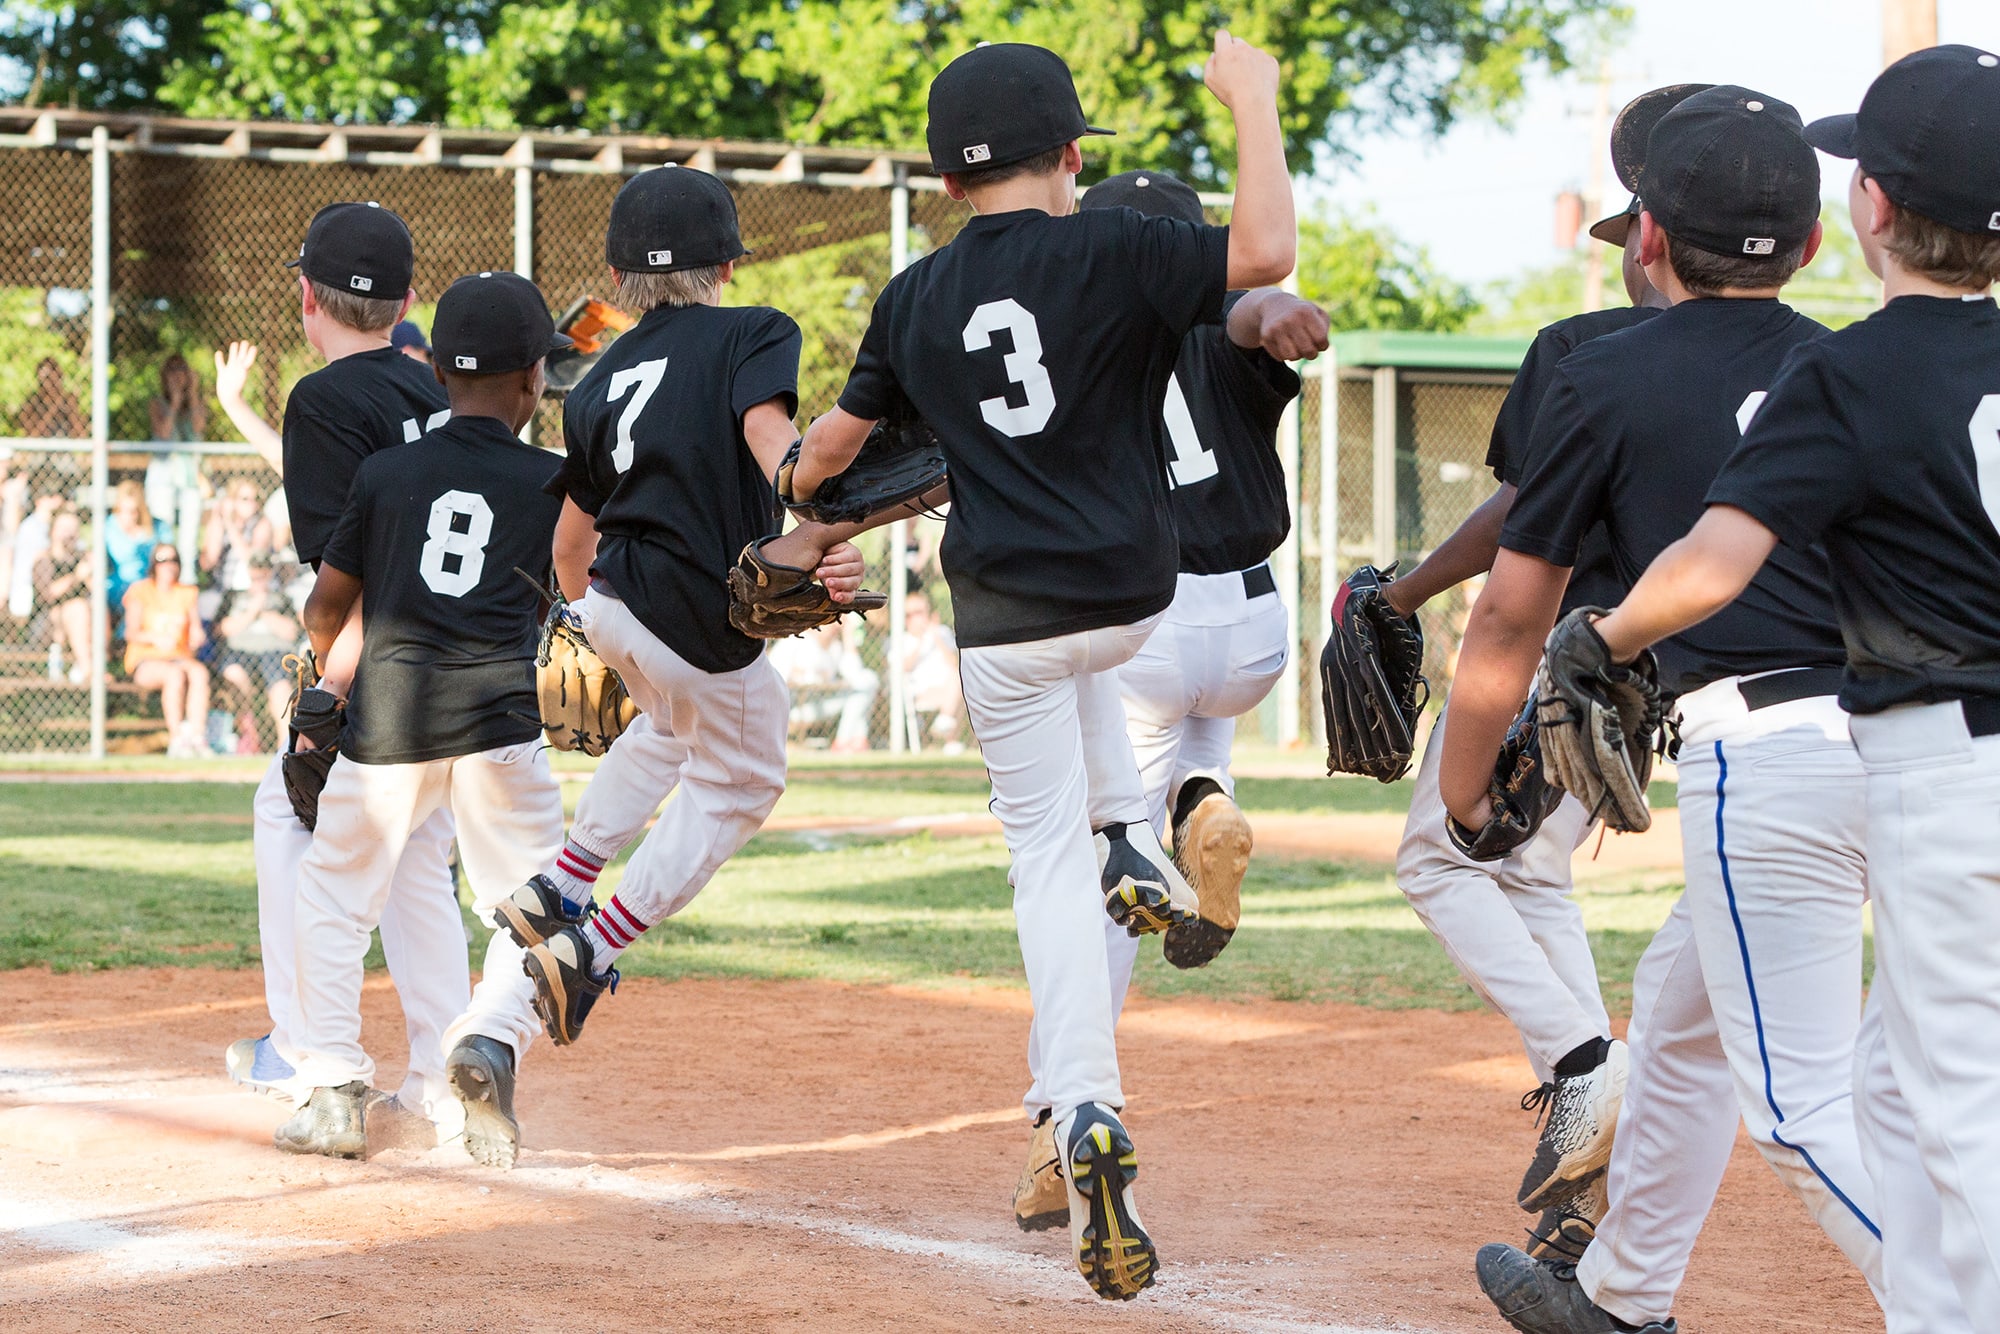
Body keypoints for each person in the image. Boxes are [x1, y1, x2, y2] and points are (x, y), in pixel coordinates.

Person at [764, 36, 1296, 1300]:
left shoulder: (912, 296)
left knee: (1040, 870)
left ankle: (1084, 1110)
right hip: (1135, 597)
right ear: (1068, 157)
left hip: (1005, 612)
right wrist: (1254, 104)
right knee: (1092, 699)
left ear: (948, 184)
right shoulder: (1114, 245)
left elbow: (829, 457)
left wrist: (788, 478)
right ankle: (1135, 833)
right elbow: (1263, 254)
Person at [1568, 48, 2000, 1334]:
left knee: (1958, 1107)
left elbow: (1712, 559)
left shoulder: (1853, 368)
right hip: (1936, 765)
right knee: (1887, 1094)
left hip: (1943, 768)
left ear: (1866, 207)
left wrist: (1604, 630)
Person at [1446, 88, 1889, 1333]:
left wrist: (1461, 782)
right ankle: (1619, 1296)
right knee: (1684, 1013)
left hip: (1771, 751)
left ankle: (1959, 1295)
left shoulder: (1602, 373)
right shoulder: (1850, 363)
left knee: (1800, 1105)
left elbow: (1510, 615)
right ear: (1812, 245)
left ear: (1643, 240)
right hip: (1910, 739)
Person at [1373, 85, 1690, 1262]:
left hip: (1559, 652)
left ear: (1646, 234)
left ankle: (1582, 1069)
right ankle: (1590, 1114)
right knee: (1535, 875)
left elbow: (1519, 520)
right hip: (1655, 673)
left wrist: (1403, 591)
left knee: (1434, 853)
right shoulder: (1783, 360)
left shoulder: (1581, 349)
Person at [1008, 167, 1330, 1232]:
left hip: (1140, 611)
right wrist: (1276, 307)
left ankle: (1069, 1111)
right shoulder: (1221, 324)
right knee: (1194, 753)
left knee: (1107, 867)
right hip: (1253, 621)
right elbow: (1252, 317)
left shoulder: (1075, 331)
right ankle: (1208, 798)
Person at [494, 165, 868, 1051]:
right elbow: (771, 443)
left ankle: (561, 883)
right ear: (728, 267)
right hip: (692, 615)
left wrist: (590, 622)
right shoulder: (755, 330)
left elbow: (566, 549)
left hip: (615, 602)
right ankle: (588, 945)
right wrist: (821, 511)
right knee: (743, 779)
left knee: (667, 727)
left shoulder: (591, 382)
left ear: (622, 282)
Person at [277, 271, 572, 1163]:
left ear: (437, 372)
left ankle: (331, 1090)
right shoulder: (553, 479)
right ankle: (484, 1046)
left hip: (391, 722)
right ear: (532, 382)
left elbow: (331, 602)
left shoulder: (385, 471)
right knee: (531, 912)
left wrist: (322, 671)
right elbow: (579, 594)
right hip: (501, 729)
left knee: (332, 896)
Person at [223, 201, 467, 1134]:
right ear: (407, 299)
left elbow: (344, 573)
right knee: (418, 860)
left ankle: (300, 1048)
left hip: (378, 667)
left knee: (286, 816)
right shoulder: (436, 387)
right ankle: (443, 1071)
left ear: (303, 297)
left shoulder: (323, 401)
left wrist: (325, 688)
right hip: (459, 664)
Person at [121, 543, 213, 757]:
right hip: (146, 658)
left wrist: (197, 637)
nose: (169, 566)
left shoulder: (187, 593)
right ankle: (177, 738)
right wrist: (155, 638)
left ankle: (197, 737)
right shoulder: (140, 591)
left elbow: (195, 630)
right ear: (154, 565)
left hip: (179, 655)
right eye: (163, 561)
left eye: (173, 561)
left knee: (199, 673)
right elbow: (131, 633)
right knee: (174, 676)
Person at [215, 555, 303, 749]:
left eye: (263, 575)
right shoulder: (233, 597)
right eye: (254, 575)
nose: (259, 579)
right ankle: (248, 734)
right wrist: (251, 611)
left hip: (274, 652)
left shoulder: (281, 598)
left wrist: (264, 611)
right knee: (234, 675)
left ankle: (285, 744)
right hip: (239, 651)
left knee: (280, 687)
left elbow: (292, 632)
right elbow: (222, 629)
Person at [771, 618, 878, 751]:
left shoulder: (835, 648)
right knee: (862, 687)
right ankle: (849, 740)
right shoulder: (795, 641)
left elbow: (855, 675)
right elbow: (774, 679)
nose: (835, 626)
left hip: (820, 703)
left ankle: (847, 740)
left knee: (868, 680)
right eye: (831, 620)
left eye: (838, 623)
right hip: (794, 707)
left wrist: (848, 638)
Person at [147, 352, 209, 564]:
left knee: (189, 534)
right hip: (163, 474)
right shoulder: (157, 403)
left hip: (190, 475)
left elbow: (199, 427)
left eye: (182, 370)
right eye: (172, 370)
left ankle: (187, 578)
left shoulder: (197, 403)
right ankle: (162, 574)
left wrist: (191, 394)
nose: (177, 375)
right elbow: (163, 432)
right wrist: (174, 402)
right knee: (164, 530)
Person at [899, 587, 963, 751]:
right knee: (960, 688)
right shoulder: (902, 639)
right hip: (921, 692)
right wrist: (920, 641)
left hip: (949, 686)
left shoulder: (941, 632)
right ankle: (949, 738)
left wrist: (935, 636)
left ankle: (945, 724)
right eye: (909, 614)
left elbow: (954, 662)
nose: (914, 618)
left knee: (960, 681)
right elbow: (903, 668)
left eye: (919, 612)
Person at [31, 506, 90, 682]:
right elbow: (48, 594)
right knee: (77, 608)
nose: (69, 534)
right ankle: (88, 668)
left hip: (83, 622)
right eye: (64, 528)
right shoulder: (44, 559)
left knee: (89, 608)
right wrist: (76, 577)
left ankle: (84, 665)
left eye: (73, 529)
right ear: (53, 531)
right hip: (48, 624)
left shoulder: (83, 558)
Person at [104, 479, 167, 631]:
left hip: (149, 583)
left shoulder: (156, 527)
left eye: (135, 511)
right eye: (125, 510)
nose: (131, 516)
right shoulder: (109, 527)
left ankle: (127, 638)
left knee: (140, 594)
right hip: (118, 583)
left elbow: (167, 553)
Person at [17, 357, 85, 439]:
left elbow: (81, 434)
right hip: (40, 448)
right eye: (46, 379)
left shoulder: (68, 399)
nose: (49, 384)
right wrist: (55, 406)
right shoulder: (33, 403)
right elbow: (33, 435)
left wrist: (71, 408)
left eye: (53, 379)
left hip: (64, 447)